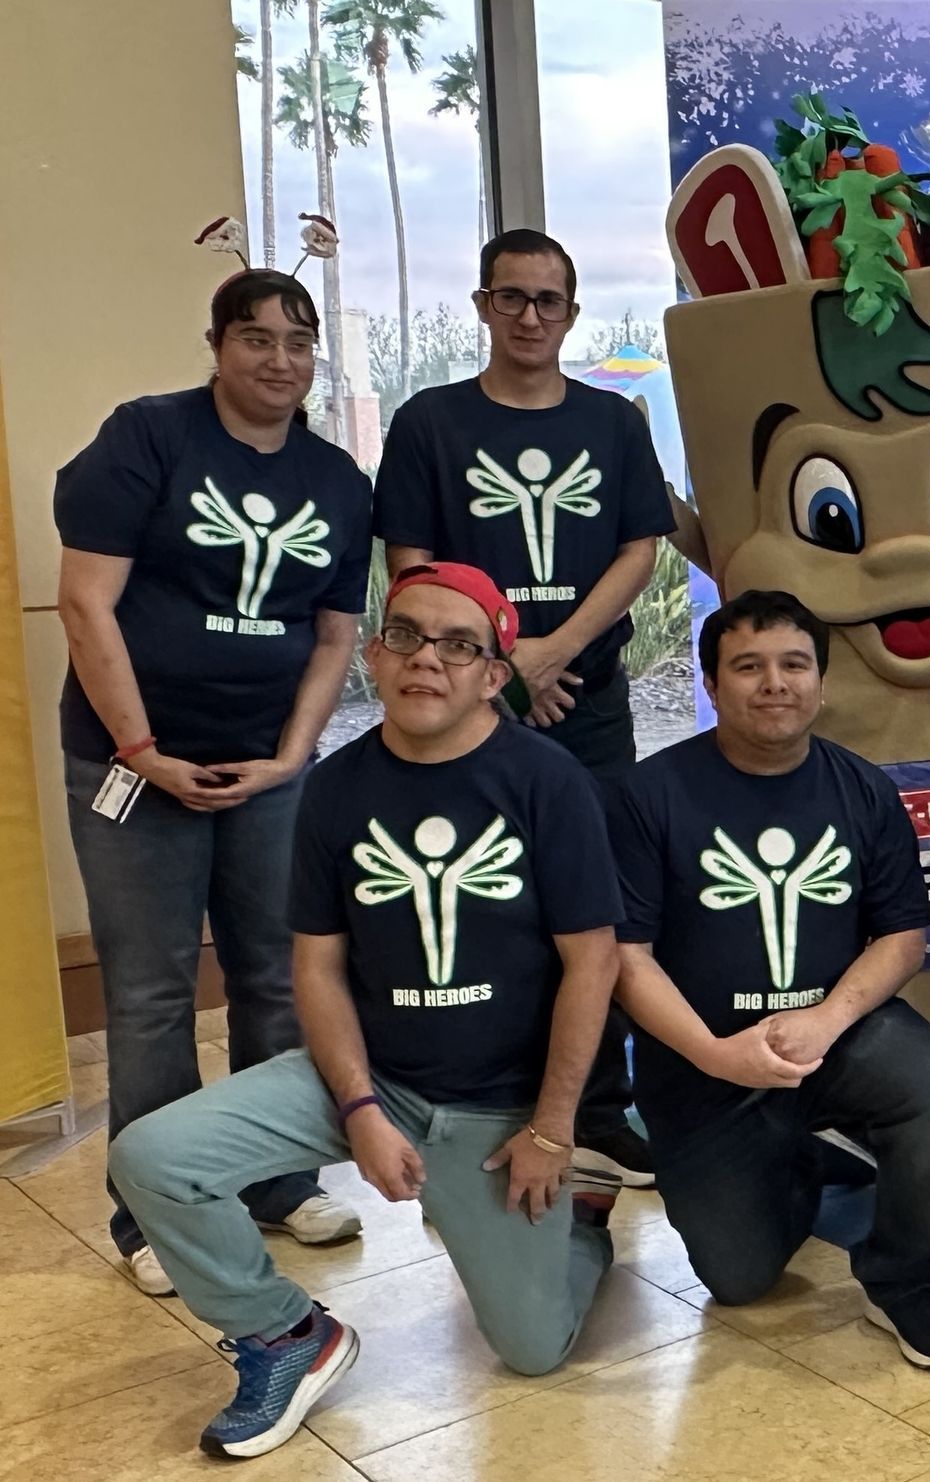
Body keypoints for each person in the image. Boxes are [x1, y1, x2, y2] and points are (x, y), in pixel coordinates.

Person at [108, 564, 622, 1459]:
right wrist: (359, 1109)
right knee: (151, 1158)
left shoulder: (548, 783)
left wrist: (551, 1128)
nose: (429, 659)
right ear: (375, 657)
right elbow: (317, 966)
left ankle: (574, 1224)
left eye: (460, 646)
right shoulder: (335, 788)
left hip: (499, 1109)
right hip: (369, 1076)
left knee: (533, 1352)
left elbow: (593, 962)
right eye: (408, 636)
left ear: (495, 676)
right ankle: (286, 1335)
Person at [55, 268, 368, 1296]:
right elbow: (86, 604)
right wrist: (142, 750)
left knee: (278, 978)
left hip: (267, 770)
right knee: (149, 997)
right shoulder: (149, 437)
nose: (279, 360)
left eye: (298, 341)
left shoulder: (333, 479)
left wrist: (292, 755)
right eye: (256, 339)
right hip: (134, 767)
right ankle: (155, 1211)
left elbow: (333, 633)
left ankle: (281, 1183)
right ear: (217, 344)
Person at [374, 227, 677, 1190]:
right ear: (482, 307)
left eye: (549, 301)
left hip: (588, 698)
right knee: (492, 901)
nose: (531, 317)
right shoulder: (430, 424)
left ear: (572, 313)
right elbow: (410, 568)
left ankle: (599, 1112)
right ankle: (493, 1100)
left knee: (601, 902)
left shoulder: (615, 422)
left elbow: (640, 549)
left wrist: (553, 650)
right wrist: (498, 664)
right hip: (467, 707)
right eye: (512, 298)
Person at [604, 590, 930, 1369]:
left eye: (794, 664)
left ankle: (901, 1279)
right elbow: (623, 959)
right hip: (700, 1060)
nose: (774, 682)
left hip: (833, 1038)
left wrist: (825, 1020)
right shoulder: (646, 796)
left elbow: (904, 937)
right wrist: (714, 1054)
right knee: (739, 1281)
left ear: (821, 684)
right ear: (711, 684)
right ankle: (797, 1156)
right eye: (748, 666)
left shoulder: (863, 788)